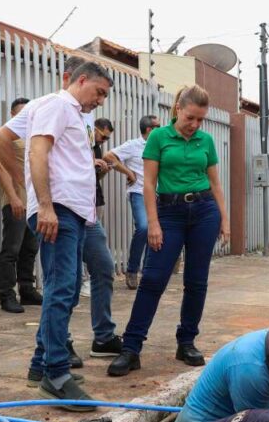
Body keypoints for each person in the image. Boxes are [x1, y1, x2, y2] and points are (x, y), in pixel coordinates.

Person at [0, 61, 113, 411]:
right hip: (58, 209)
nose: (100, 100)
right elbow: (36, 151)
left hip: (72, 211)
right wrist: (42, 203)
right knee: (61, 289)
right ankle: (56, 375)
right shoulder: (57, 105)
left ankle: (40, 363)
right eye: (99, 92)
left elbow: (2, 140)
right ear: (82, 80)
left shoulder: (66, 111)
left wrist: (29, 186)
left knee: (67, 288)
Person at [107, 85, 231, 377]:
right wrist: (153, 223)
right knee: (153, 278)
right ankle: (131, 348)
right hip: (169, 213)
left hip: (204, 211)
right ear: (178, 109)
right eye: (191, 118)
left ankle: (186, 342)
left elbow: (215, 183)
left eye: (200, 120)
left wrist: (224, 219)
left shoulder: (206, 140)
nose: (195, 125)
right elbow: (148, 183)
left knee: (196, 281)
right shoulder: (159, 137)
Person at [0, 97, 42, 313]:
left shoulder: (34, 137)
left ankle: (27, 289)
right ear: (13, 115)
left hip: (33, 202)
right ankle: (6, 294)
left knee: (30, 247)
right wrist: (14, 198)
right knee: (11, 248)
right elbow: (1, 169)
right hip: (16, 200)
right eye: (22, 113)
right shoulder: (6, 137)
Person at [105, 115, 161, 290]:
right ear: (149, 130)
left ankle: (148, 272)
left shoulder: (161, 146)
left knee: (157, 231)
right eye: (158, 126)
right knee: (144, 227)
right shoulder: (133, 145)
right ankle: (132, 270)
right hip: (138, 192)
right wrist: (128, 172)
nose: (162, 129)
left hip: (159, 194)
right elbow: (109, 156)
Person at [84, 117, 124, 357]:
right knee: (64, 281)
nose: (103, 140)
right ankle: (52, 347)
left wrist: (100, 170)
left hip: (88, 213)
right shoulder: (58, 120)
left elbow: (90, 177)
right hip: (65, 211)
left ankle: (103, 337)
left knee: (104, 268)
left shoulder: (90, 138)